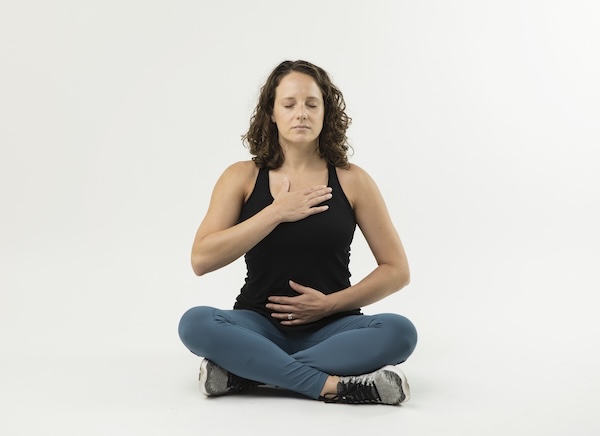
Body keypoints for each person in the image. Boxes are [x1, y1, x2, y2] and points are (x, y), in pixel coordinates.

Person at [178, 60, 417, 405]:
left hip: (333, 329)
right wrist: (276, 213)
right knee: (195, 323)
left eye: (311, 104)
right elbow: (201, 259)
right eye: (289, 105)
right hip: (257, 326)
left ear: (326, 112)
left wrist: (328, 305)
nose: (301, 113)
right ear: (271, 113)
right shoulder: (241, 177)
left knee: (400, 333)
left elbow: (397, 270)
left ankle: (245, 373)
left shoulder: (354, 181)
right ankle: (334, 386)